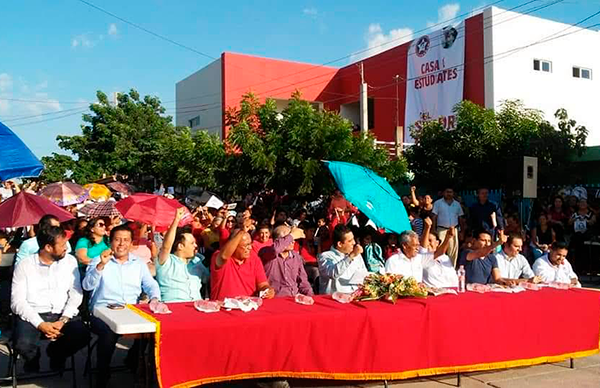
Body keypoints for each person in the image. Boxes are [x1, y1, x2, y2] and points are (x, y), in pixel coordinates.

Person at [82, 224, 161, 388]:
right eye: (117, 240)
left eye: (126, 240)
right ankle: (102, 374)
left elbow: (150, 285)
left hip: (131, 310)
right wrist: (100, 267)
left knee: (152, 329)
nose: (121, 244)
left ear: (132, 243)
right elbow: (87, 286)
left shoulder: (138, 263)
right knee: (108, 332)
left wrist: (154, 298)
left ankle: (134, 362)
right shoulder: (99, 260)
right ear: (110, 242)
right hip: (102, 312)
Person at [11, 226, 90, 373]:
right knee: (23, 344)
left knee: (83, 335)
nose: (66, 247)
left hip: (62, 313)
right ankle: (32, 360)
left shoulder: (69, 261)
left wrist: (64, 319)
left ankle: (56, 354)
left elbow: (76, 293)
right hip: (33, 314)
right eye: (62, 245)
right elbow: (17, 302)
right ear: (48, 247)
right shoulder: (25, 265)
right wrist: (40, 324)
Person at [210, 218, 275, 300]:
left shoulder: (254, 258)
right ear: (234, 246)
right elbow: (223, 256)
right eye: (246, 245)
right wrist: (242, 231)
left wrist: (267, 290)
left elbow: (262, 284)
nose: (250, 248)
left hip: (247, 306)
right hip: (223, 308)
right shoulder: (218, 256)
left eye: (250, 244)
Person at [156, 208, 203, 302]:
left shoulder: (197, 262)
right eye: (192, 243)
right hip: (173, 307)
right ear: (180, 246)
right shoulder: (166, 261)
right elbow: (166, 246)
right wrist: (176, 220)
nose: (196, 246)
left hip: (197, 308)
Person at [259, 225, 313, 297]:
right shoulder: (266, 252)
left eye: (293, 238)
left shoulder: (296, 257)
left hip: (295, 298)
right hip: (276, 299)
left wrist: (310, 296)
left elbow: (303, 282)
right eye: (288, 238)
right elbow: (275, 249)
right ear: (276, 241)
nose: (292, 241)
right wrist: (292, 235)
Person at [317, 224, 367, 294]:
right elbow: (333, 273)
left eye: (353, 239)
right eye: (350, 241)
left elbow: (364, 274)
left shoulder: (356, 255)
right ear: (340, 244)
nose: (354, 243)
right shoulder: (325, 256)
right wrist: (351, 256)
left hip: (355, 295)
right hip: (334, 299)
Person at [431, 187, 465, 267]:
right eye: (447, 192)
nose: (449, 194)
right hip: (441, 230)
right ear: (443, 193)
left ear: (453, 193)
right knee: (440, 250)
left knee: (453, 251)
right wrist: (433, 229)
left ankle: (451, 269)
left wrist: (462, 231)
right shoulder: (438, 203)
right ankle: (438, 268)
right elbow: (434, 217)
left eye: (451, 192)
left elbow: (460, 218)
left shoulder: (457, 204)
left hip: (454, 230)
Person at [421, 224, 459, 288]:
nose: (428, 243)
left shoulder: (445, 258)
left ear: (437, 243)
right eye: (426, 240)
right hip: (434, 294)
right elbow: (425, 249)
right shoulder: (422, 257)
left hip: (452, 291)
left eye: (430, 240)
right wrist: (427, 227)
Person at [568, 198, 596, 273]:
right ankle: (577, 268)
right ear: (578, 204)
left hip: (587, 236)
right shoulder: (575, 214)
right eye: (581, 202)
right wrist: (575, 219)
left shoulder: (591, 214)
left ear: (587, 204)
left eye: (584, 203)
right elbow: (569, 222)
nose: (582, 204)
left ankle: (587, 268)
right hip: (577, 236)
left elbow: (593, 222)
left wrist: (586, 220)